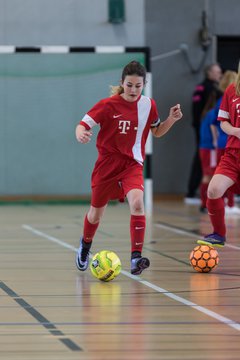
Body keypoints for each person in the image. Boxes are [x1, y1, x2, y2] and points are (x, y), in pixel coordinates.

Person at [75, 60, 183, 275]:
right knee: (95, 215)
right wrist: (81, 133)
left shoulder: (149, 105)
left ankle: (136, 258)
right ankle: (85, 246)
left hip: (132, 164)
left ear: (144, 84)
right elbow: (83, 124)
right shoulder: (107, 105)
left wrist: (171, 119)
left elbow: (157, 131)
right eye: (130, 85)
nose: (133, 90)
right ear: (122, 83)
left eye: (138, 86)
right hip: (106, 166)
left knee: (137, 204)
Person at [197, 64, 240, 248]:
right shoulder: (232, 89)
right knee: (213, 190)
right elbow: (223, 123)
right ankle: (218, 234)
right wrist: (236, 131)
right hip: (232, 154)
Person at [185, 63, 222, 203]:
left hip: (202, 128)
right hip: (207, 130)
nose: (219, 74)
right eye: (217, 72)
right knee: (204, 160)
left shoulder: (203, 88)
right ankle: (199, 195)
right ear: (209, 73)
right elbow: (198, 110)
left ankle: (193, 192)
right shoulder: (211, 90)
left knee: (201, 158)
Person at [210, 70, 239, 215]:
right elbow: (216, 122)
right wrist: (234, 131)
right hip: (228, 148)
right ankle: (229, 205)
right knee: (215, 184)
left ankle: (231, 204)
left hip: (220, 143)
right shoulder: (229, 93)